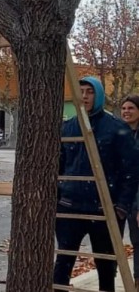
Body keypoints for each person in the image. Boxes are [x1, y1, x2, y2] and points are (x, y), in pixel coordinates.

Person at [54, 77, 139, 292]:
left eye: (89, 92)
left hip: (104, 210)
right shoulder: (68, 127)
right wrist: (56, 201)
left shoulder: (117, 128)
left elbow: (131, 170)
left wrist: (121, 207)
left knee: (106, 266)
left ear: (99, 95)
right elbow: (59, 165)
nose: (84, 96)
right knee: (63, 261)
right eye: (80, 91)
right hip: (70, 207)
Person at [121, 94, 139, 290]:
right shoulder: (119, 133)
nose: (126, 111)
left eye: (131, 108)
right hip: (121, 198)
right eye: (124, 108)